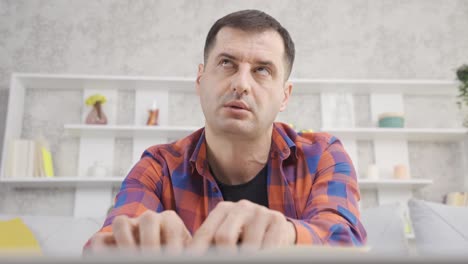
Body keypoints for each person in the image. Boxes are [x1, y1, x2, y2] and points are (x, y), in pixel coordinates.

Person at [85, 9, 367, 255]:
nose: (241, 84)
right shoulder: (158, 168)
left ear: (284, 96)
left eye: (262, 70)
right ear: (200, 79)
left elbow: (346, 241)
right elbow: (104, 244)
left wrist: (288, 235)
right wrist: (129, 245)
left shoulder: (323, 156)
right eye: (226, 63)